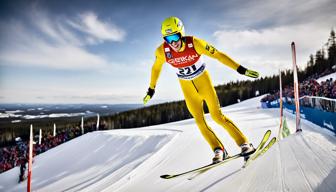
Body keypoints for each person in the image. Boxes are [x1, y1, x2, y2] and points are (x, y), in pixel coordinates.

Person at [143, 16, 260, 163]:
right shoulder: (162, 51)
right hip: (188, 89)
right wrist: (151, 89)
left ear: (181, 34)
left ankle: (244, 143)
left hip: (204, 83)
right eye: (168, 39)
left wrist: (240, 69)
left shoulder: (195, 43)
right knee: (199, 121)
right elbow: (156, 68)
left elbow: (218, 55)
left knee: (217, 117)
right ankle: (218, 150)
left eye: (174, 37)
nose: (172, 43)